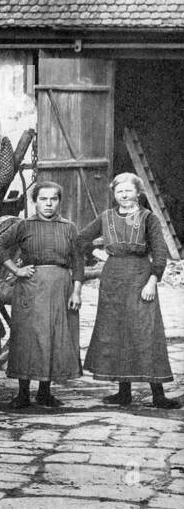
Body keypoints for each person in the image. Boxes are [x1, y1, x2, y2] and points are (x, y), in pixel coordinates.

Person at [80, 173, 179, 408]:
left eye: (128, 190)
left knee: (146, 332)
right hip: (112, 280)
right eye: (119, 191)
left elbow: (160, 253)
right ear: (114, 195)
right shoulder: (105, 217)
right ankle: (123, 392)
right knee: (117, 332)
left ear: (138, 192)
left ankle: (158, 395)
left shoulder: (149, 218)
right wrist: (98, 254)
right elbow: (81, 239)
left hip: (140, 279)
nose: (124, 195)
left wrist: (152, 281)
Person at [0, 181, 82, 408]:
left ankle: (45, 391)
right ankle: (22, 393)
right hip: (30, 287)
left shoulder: (69, 228)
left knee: (53, 337)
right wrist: (15, 269)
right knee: (26, 337)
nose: (49, 204)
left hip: (60, 288)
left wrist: (77, 291)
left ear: (59, 202)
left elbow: (78, 261)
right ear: (35, 201)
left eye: (54, 199)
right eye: (43, 199)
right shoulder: (24, 226)